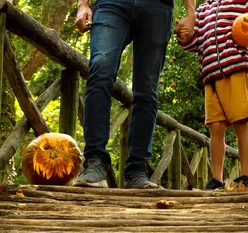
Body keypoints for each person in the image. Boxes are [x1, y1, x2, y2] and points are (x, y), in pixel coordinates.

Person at [73, 0, 196, 189]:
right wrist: (83, 4)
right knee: (101, 68)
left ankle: (137, 170)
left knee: (147, 89)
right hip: (112, 5)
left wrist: (190, 13)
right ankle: (95, 161)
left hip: (158, 7)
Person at [175, 0, 248, 190]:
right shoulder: (202, 11)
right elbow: (196, 42)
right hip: (210, 77)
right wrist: (184, 36)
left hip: (235, 69)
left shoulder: (242, 2)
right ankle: (217, 179)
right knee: (216, 128)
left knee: (240, 122)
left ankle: (245, 176)